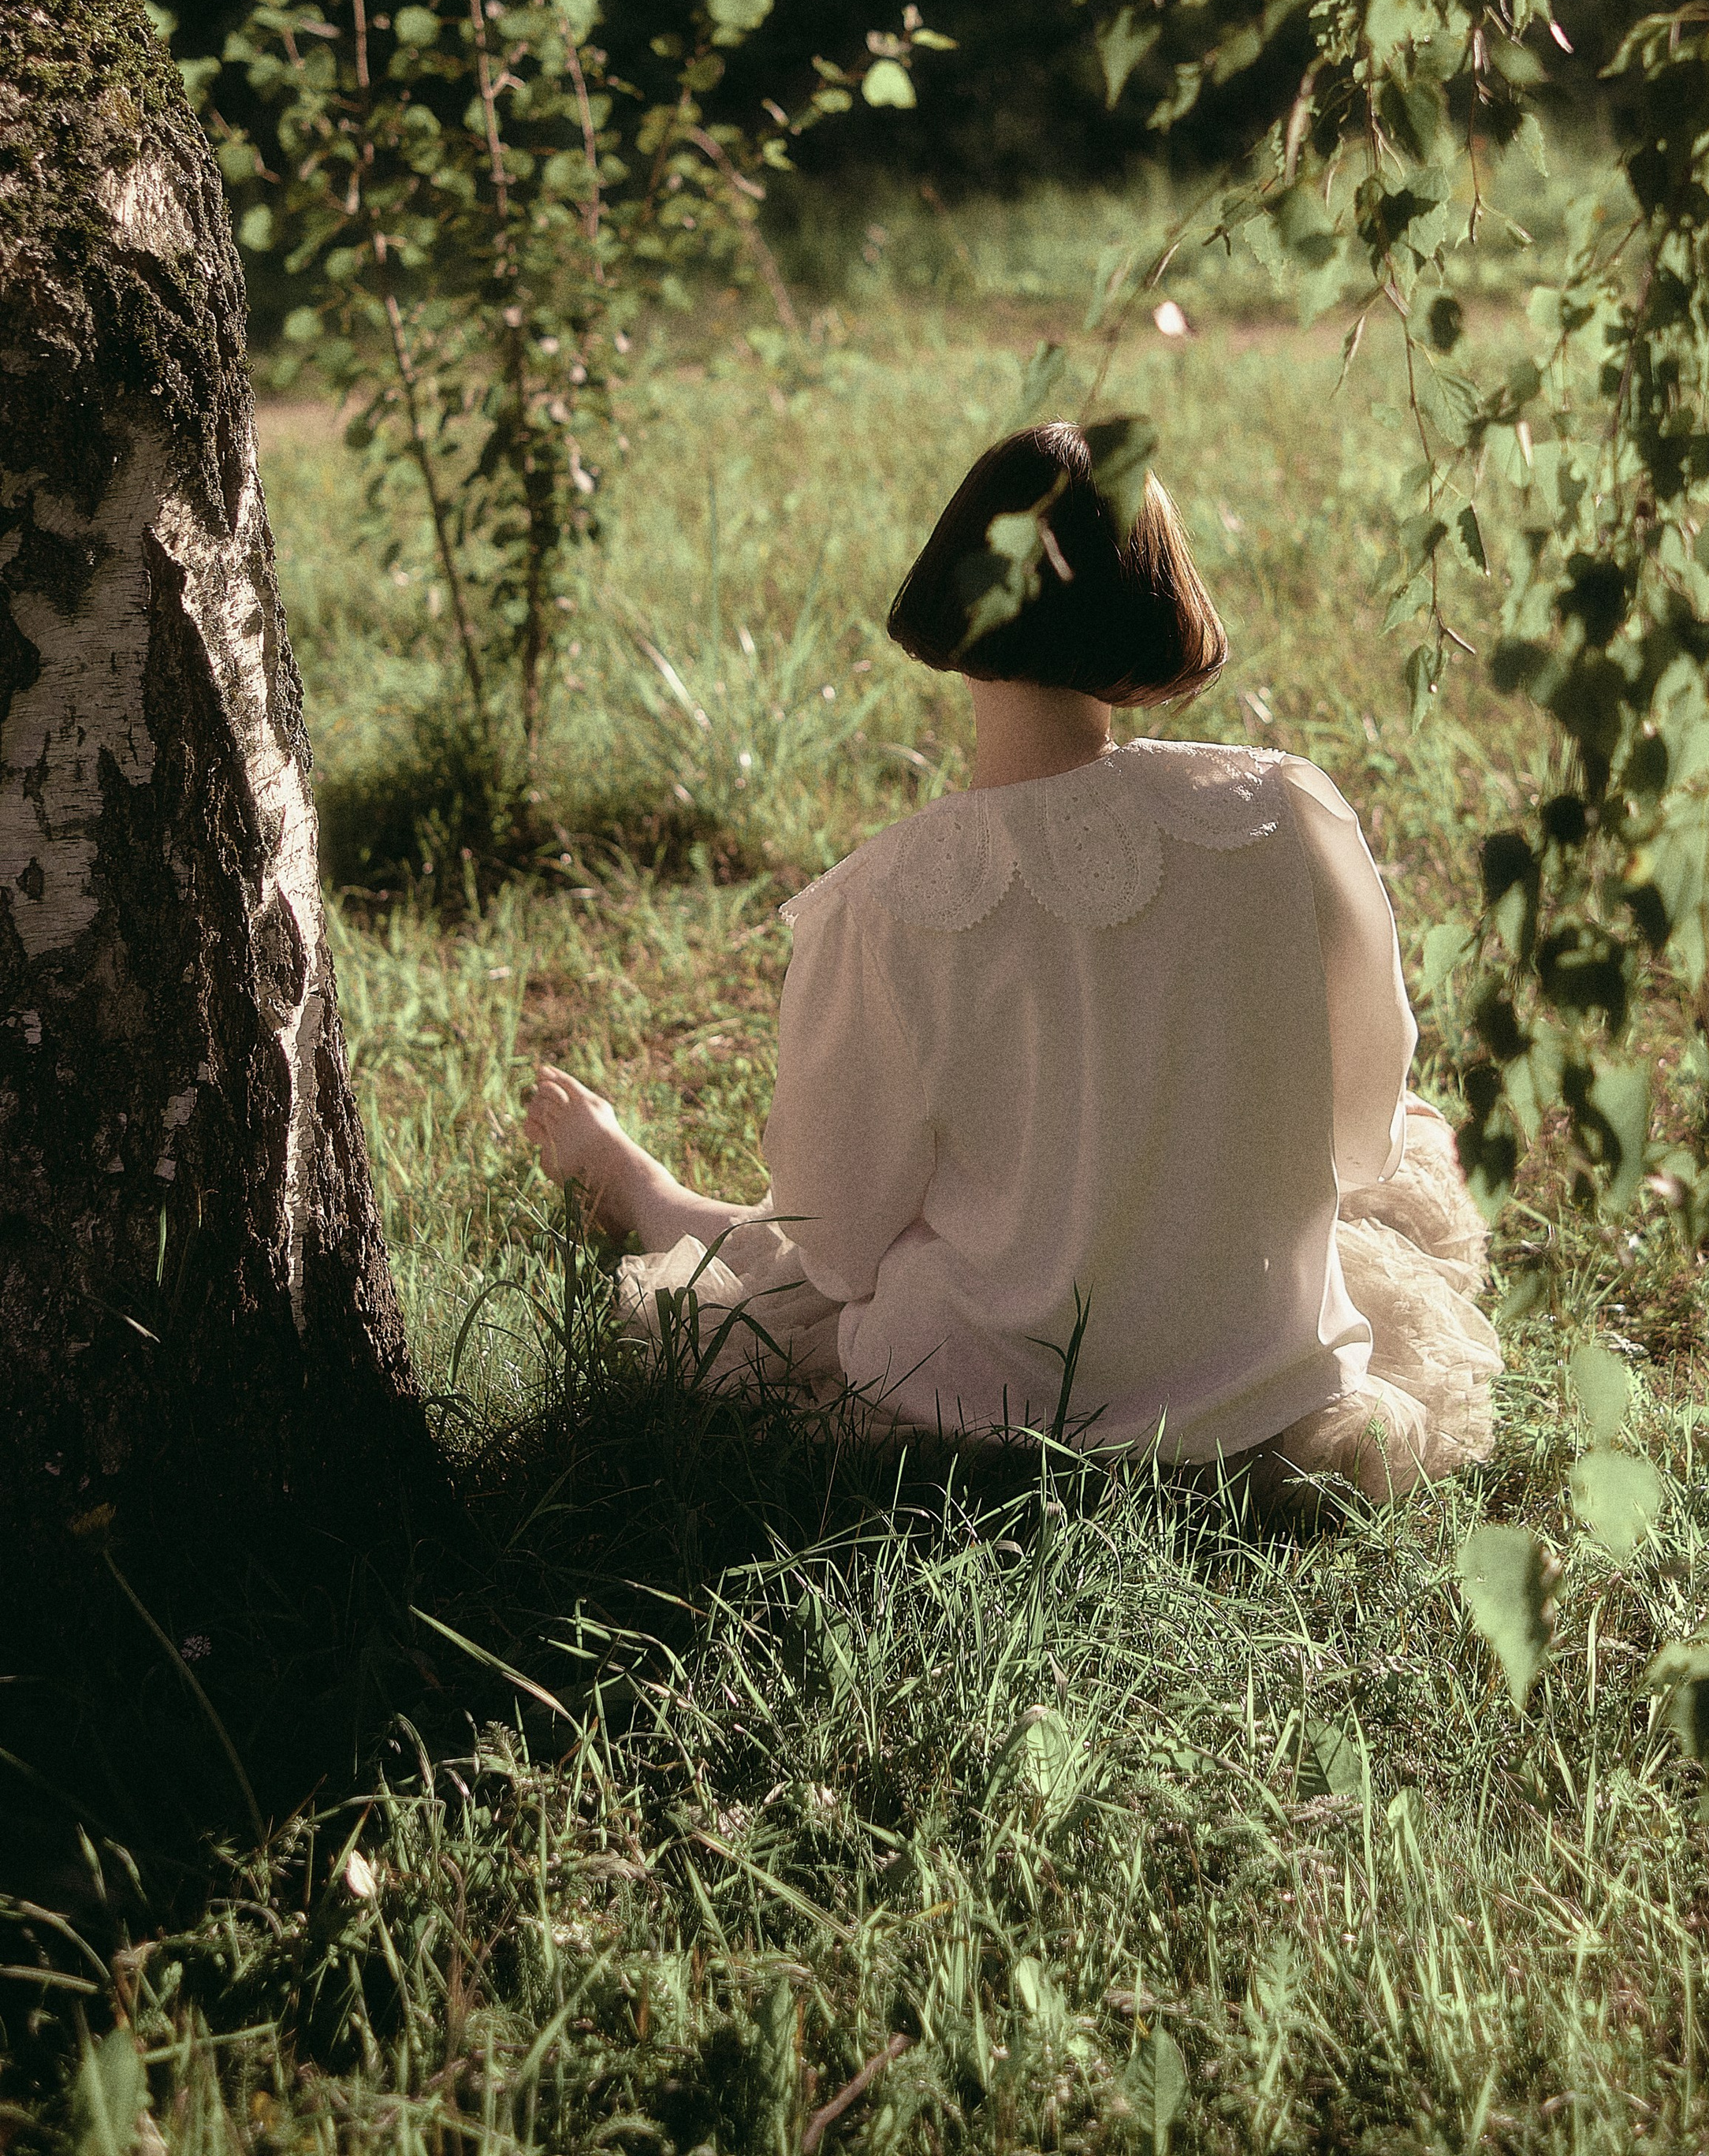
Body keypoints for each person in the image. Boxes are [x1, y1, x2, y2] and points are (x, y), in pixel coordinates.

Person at [527, 422, 1501, 1499]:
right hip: (1258, 1375)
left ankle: (641, 1188)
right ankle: (648, 1187)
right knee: (1392, 1146)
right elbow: (1363, 1126)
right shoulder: (1283, 812)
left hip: (983, 1393)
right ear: (1155, 596)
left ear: (953, 588)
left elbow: (833, 1245)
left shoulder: (886, 906)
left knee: (794, 1274)